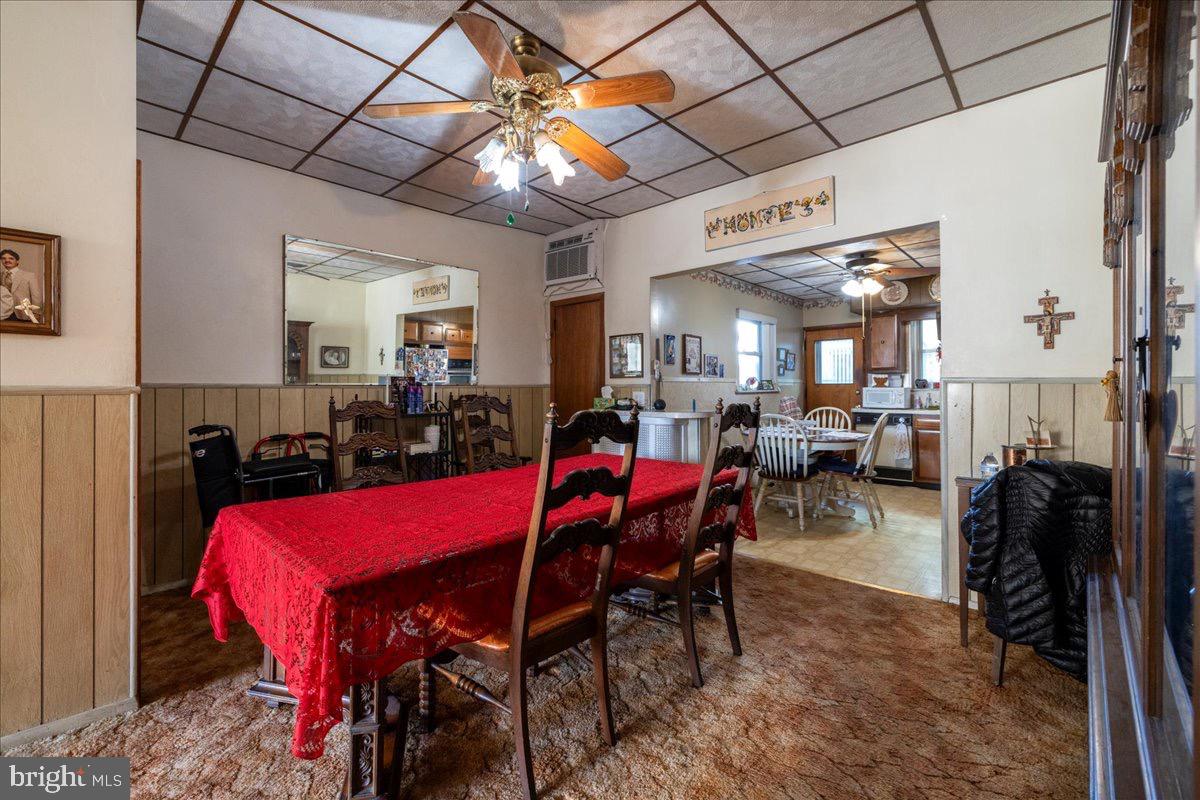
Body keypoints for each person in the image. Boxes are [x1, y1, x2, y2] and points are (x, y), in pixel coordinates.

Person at [0, 248, 41, 323]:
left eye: (11, 258)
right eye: (3, 258)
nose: (7, 260)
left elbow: (36, 296)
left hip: (23, 313)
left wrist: (36, 313)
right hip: (3, 314)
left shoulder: (29, 275)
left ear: (17, 261)